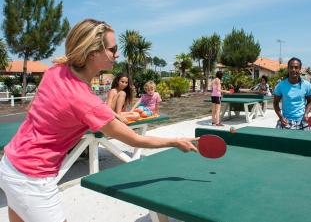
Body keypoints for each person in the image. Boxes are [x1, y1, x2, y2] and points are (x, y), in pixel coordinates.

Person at [0, 19, 197, 222]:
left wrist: (108, 115)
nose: (117, 54)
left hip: (9, 163)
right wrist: (175, 141)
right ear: (93, 52)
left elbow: (34, 107)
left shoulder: (56, 70)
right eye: (113, 49)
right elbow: (136, 140)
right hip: (33, 178)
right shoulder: (85, 100)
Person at [273, 57, 311, 130]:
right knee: (276, 139)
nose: (293, 70)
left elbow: (310, 102)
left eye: (296, 67)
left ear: (300, 69)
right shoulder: (280, 86)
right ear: (288, 69)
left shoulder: (307, 85)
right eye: (291, 67)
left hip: (302, 119)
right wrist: (281, 117)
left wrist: (306, 114)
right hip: (286, 120)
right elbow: (275, 103)